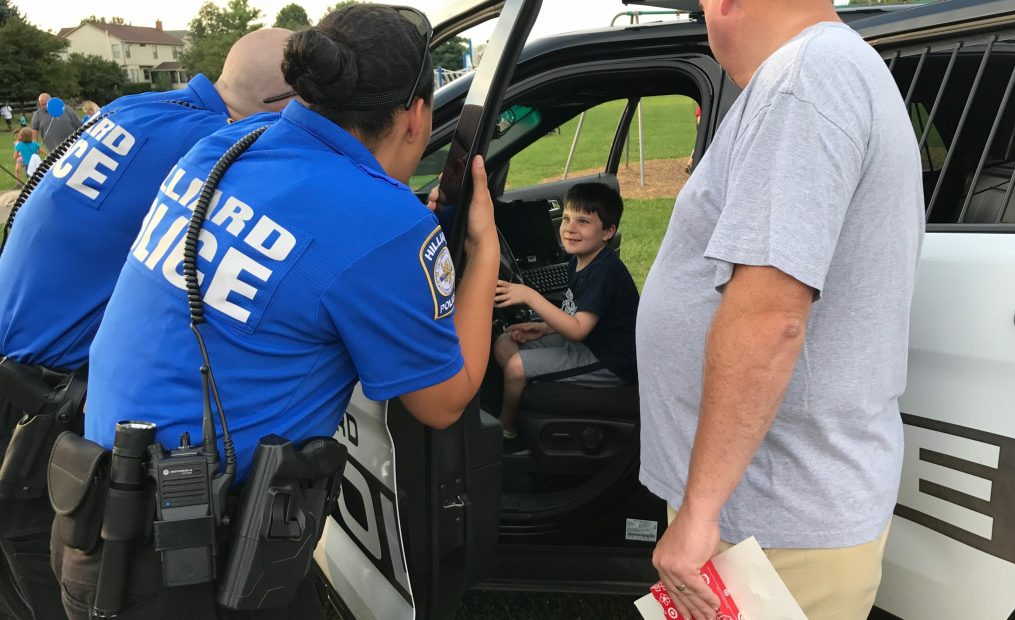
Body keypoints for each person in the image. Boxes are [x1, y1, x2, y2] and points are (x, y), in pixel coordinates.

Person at [55, 5, 498, 618]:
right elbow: (444, 401)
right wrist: (484, 254)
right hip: (189, 569)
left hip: (95, 515)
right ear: (417, 115)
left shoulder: (226, 144)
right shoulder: (383, 222)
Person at [635, 0, 925, 618]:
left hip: (767, 522)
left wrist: (700, 513)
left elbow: (772, 318)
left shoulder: (806, 79)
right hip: (771, 509)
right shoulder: (829, 68)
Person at [0, 28, 295, 620]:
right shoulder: (219, 144)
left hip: (17, 360)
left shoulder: (141, 107)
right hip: (42, 399)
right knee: (49, 569)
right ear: (282, 105)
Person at [492, 182, 638, 440]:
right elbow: (577, 313)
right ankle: (533, 400)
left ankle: (506, 433)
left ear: (607, 232)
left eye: (583, 221)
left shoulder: (605, 272)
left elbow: (578, 330)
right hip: (588, 341)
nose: (570, 228)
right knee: (505, 343)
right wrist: (544, 327)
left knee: (516, 367)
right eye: (567, 218)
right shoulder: (578, 261)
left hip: (608, 360)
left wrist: (531, 297)